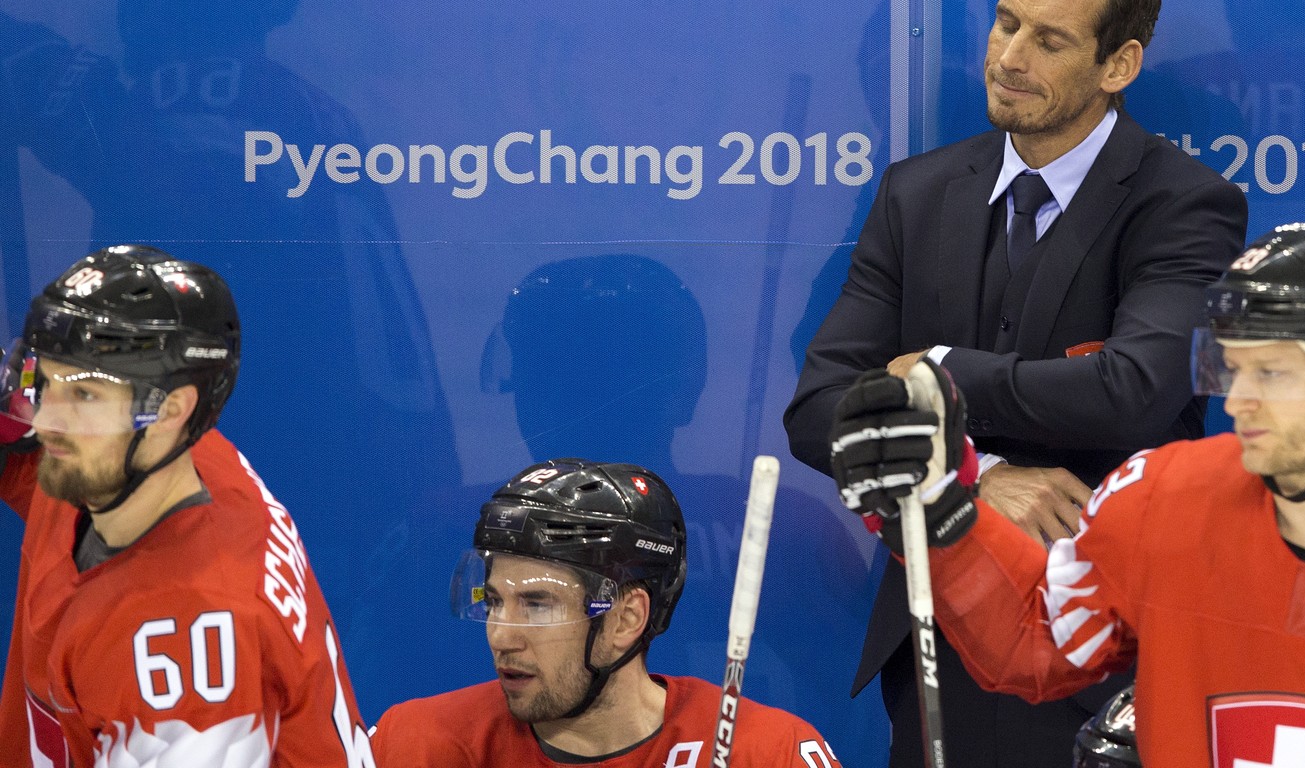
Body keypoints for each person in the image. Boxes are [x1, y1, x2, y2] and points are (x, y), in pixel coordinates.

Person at [782, 0, 1247, 764]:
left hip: (1106, 643)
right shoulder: (913, 196)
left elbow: (1136, 389)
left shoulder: (1183, 204)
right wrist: (973, 477)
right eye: (1006, 22)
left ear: (1120, 64)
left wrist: (940, 373)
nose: (1008, 59)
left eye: (1049, 40)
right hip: (933, 645)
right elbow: (818, 408)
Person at [831, 224, 1305, 764]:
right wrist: (942, 519)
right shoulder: (1159, 497)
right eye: (1229, 368)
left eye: (1275, 374)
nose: (1240, 403)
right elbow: (1035, 639)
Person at [0, 245, 373, 764]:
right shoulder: (129, 459)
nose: (45, 422)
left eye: (84, 394)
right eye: (48, 383)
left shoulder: (189, 660)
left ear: (173, 410)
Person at [368, 458, 842, 768]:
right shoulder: (414, 745)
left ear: (627, 619)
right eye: (493, 602)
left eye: (536, 605)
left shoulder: (768, 753)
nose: (500, 636)